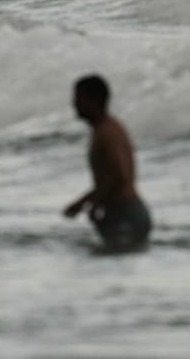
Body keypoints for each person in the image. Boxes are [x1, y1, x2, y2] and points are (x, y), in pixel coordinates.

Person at [63, 74, 151, 248]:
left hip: (126, 213)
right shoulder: (102, 130)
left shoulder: (108, 132)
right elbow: (109, 178)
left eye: (79, 98)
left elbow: (120, 175)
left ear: (93, 100)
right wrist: (82, 203)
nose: (74, 104)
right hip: (120, 212)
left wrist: (93, 203)